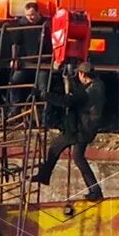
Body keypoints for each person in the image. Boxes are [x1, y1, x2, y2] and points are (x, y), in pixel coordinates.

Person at [33, 61, 105, 200]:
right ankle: (95, 190)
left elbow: (65, 101)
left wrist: (44, 95)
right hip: (88, 128)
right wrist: (69, 80)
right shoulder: (98, 86)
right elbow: (77, 95)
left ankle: (44, 176)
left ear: (82, 74)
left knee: (55, 147)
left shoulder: (86, 91)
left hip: (79, 129)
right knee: (78, 157)